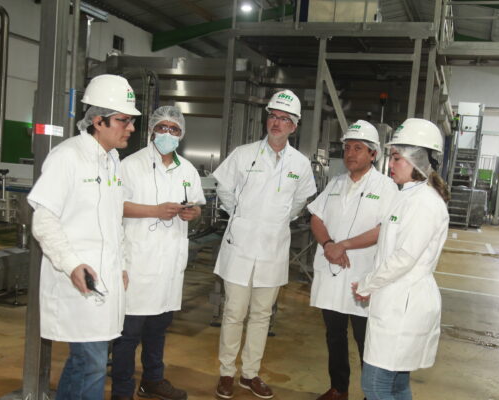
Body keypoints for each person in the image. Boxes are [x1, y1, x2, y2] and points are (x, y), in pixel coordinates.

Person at [27, 74, 141, 400]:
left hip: (105, 277)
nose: (131, 128)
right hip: (78, 278)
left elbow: (113, 220)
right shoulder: (68, 157)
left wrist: (121, 264)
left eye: (131, 120)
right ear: (98, 121)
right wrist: (71, 264)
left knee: (84, 362)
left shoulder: (112, 160)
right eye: (123, 120)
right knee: (91, 363)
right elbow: (44, 220)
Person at [213, 89, 317, 399]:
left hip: (273, 247)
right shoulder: (244, 154)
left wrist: (275, 221)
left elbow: (300, 201)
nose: (276, 122)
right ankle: (226, 372)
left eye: (284, 119)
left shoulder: (300, 164)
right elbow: (224, 189)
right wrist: (241, 216)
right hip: (240, 246)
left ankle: (250, 374)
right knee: (234, 312)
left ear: (294, 126)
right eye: (273, 116)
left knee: (261, 315)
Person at [351, 118, 450, 400]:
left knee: (375, 387)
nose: (390, 164)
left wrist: (367, 284)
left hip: (404, 306)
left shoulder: (424, 202)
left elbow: (404, 257)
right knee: (395, 386)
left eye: (397, 158)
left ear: (417, 160)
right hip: (396, 300)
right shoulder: (407, 195)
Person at [110, 106, 205, 400]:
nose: (167, 133)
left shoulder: (187, 169)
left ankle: (152, 380)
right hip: (138, 262)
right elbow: (115, 205)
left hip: (169, 264)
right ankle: (122, 391)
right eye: (162, 127)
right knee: (128, 334)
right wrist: (155, 211)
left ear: (181, 134)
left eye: (173, 129)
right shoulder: (130, 164)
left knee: (159, 328)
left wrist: (193, 213)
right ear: (152, 130)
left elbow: (197, 206)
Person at [308, 121, 398, 400]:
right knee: (334, 335)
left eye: (358, 148)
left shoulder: (386, 187)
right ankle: (339, 388)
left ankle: (372, 393)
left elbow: (385, 229)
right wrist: (328, 245)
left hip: (363, 277)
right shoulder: (335, 183)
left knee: (366, 339)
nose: (350, 153)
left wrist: (343, 245)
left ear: (373, 154)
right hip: (332, 273)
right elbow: (316, 217)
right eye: (347, 148)